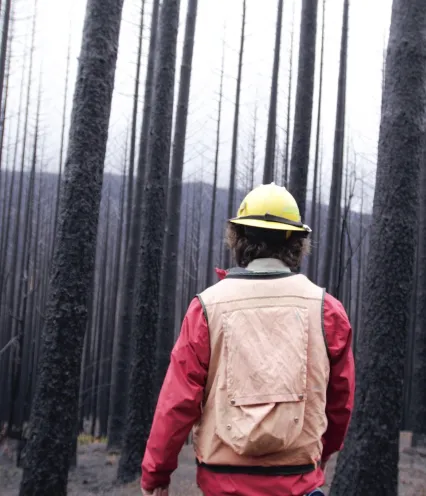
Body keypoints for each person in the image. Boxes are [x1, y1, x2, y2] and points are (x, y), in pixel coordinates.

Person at [141, 183, 355, 496]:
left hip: (222, 483)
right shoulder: (327, 311)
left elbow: (177, 401)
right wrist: (318, 455)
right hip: (297, 481)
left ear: (239, 239)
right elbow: (340, 404)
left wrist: (156, 475)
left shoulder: (207, 308)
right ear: (296, 242)